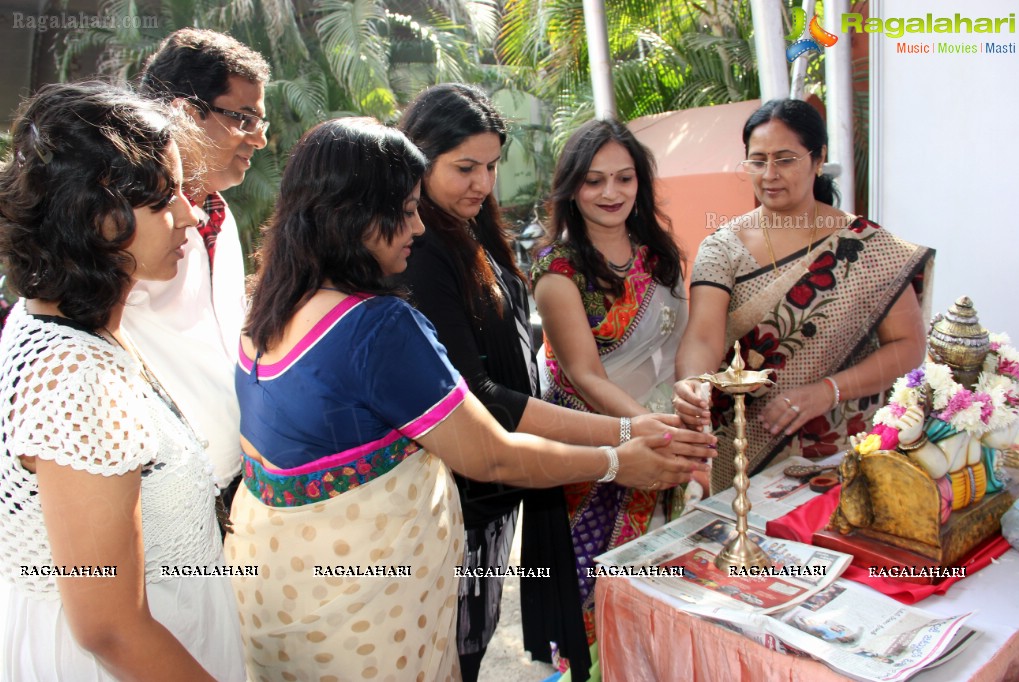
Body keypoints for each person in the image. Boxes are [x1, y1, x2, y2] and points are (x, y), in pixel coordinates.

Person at [225, 117, 694, 681]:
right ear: (352, 214)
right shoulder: (375, 324)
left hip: (283, 588)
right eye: (405, 209)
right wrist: (619, 460)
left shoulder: (267, 309)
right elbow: (490, 453)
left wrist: (623, 433)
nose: (419, 227)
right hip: (369, 606)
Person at [397, 85, 714, 680]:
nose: (483, 183)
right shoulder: (426, 251)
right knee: (467, 639)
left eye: (490, 167)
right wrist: (625, 436)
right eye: (465, 167)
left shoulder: (473, 231)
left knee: (477, 632)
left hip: (559, 448)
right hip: (506, 461)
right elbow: (481, 392)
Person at [0, 81, 244, 680]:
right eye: (163, 200)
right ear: (92, 216)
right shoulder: (74, 376)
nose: (189, 215)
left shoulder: (78, 323)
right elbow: (110, 625)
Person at [673, 98, 933, 493]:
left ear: (818, 158)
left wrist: (828, 391)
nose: (770, 175)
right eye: (757, 161)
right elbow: (703, 335)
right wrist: (694, 381)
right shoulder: (722, 247)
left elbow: (909, 346)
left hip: (843, 448)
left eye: (785, 159)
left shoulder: (869, 245)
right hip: (744, 445)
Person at [530, 118, 696, 662]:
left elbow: (681, 341)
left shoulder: (658, 252)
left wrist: (684, 412)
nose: (610, 193)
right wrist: (652, 428)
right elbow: (583, 374)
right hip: (601, 448)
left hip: (669, 431)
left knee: (668, 588)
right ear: (572, 187)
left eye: (623, 179)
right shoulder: (559, 268)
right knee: (597, 590)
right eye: (594, 180)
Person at [124, 28, 271, 512]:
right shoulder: (121, 225)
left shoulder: (218, 213)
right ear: (186, 113)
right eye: (244, 118)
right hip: (157, 496)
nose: (262, 139)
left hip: (231, 482)